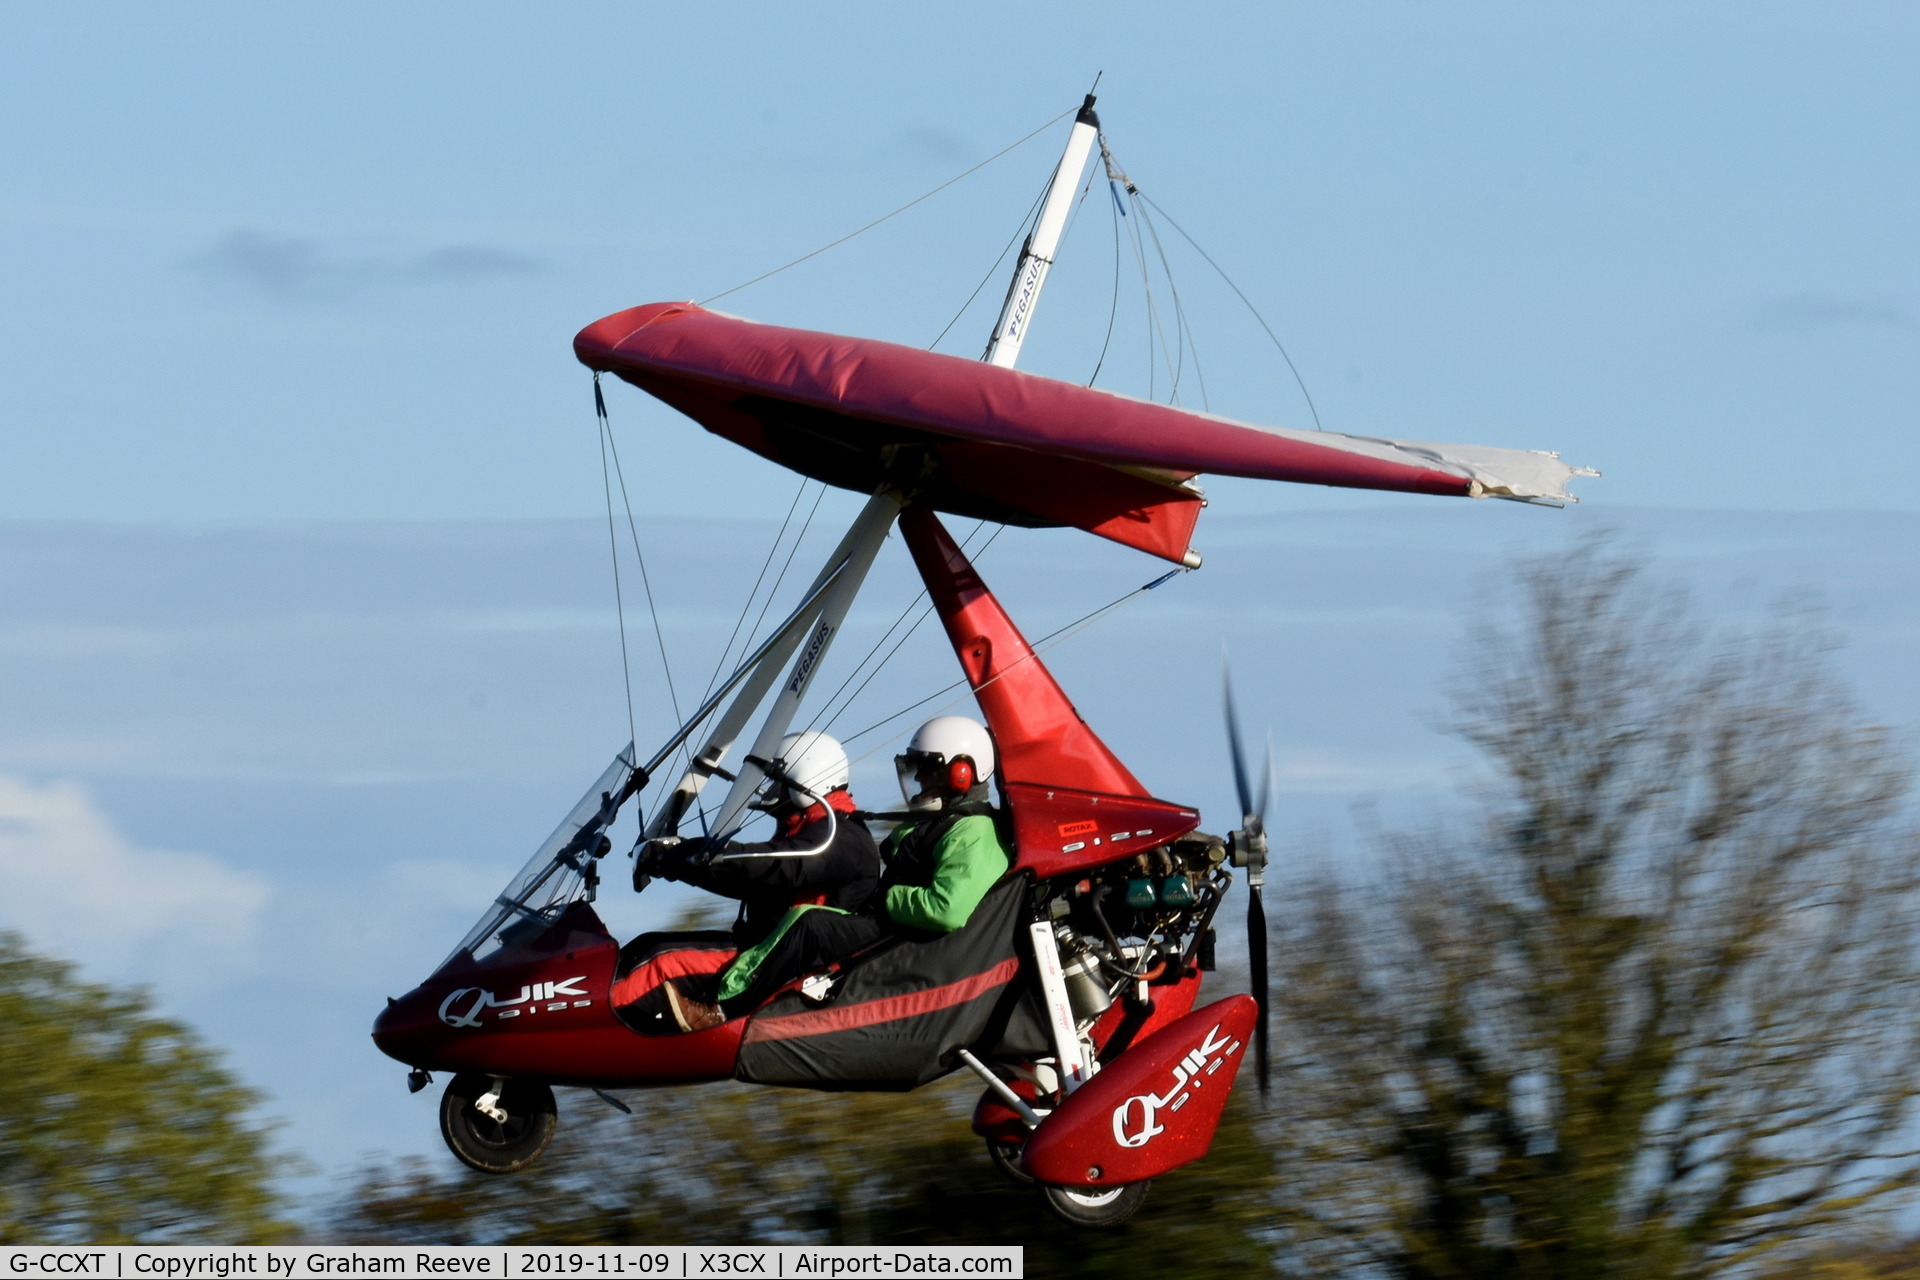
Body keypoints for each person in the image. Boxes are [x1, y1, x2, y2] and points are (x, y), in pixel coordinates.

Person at [660, 714, 1011, 1031]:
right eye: (915, 767)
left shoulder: (974, 831)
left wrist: (886, 898)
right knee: (809, 921)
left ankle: (722, 1010)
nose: (918, 777)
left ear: (962, 773)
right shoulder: (939, 825)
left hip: (920, 948)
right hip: (897, 931)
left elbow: (946, 909)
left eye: (928, 768)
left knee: (811, 923)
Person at [640, 731, 881, 1032]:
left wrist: (684, 855)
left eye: (778, 780)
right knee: (649, 946)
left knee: (659, 962)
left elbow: (776, 866)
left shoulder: (841, 837)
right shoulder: (805, 831)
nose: (771, 790)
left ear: (806, 779)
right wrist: (680, 863)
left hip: (788, 968)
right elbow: (751, 881)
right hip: (761, 952)